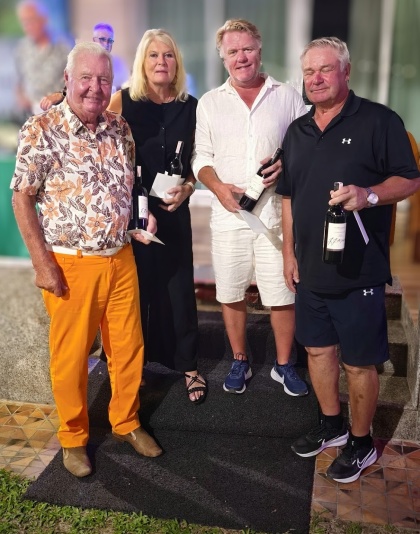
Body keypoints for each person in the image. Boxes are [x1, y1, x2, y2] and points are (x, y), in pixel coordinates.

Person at [10, 41, 163, 478]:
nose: (95, 87)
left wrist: (141, 218)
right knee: (72, 357)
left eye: (103, 80)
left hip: (121, 257)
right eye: (86, 78)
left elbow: (128, 188)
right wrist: (42, 263)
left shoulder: (119, 128)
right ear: (67, 79)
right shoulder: (42, 128)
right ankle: (73, 437)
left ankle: (126, 422)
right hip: (70, 263)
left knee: (128, 348)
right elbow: (21, 198)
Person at [276, 36, 420, 483]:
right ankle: (332, 425)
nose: (316, 79)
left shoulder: (380, 121)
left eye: (325, 69)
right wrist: (288, 252)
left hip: (360, 270)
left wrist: (369, 194)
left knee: (358, 363)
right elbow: (288, 196)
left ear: (346, 71)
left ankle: (361, 442)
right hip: (310, 268)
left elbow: (410, 179)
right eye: (309, 72)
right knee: (318, 350)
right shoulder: (297, 130)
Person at [191, 19, 308, 396]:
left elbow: (306, 147)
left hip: (276, 215)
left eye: (247, 49)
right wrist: (218, 187)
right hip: (229, 216)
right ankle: (239, 359)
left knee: (283, 293)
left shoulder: (288, 97)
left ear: (259, 50)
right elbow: (200, 157)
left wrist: (286, 163)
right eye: (233, 51)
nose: (241, 57)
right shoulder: (210, 102)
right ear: (222, 57)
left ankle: (284, 364)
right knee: (230, 291)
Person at [107, 29, 207, 404]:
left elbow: (200, 158)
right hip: (133, 212)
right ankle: (135, 366)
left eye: (168, 55)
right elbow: (96, 135)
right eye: (153, 55)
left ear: (177, 63)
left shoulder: (191, 106)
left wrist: (190, 186)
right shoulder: (123, 100)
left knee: (179, 288)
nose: (161, 62)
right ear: (142, 62)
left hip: (173, 208)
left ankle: (188, 365)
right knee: (136, 291)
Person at [39, 22, 130, 111]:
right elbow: (71, 87)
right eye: (102, 39)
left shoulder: (119, 66)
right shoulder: (80, 62)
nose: (106, 44)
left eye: (110, 41)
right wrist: (61, 95)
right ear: (94, 40)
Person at [15, 0, 71, 117]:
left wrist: (58, 96)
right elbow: (19, 82)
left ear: (44, 19)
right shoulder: (22, 48)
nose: (28, 26)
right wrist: (21, 99)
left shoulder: (64, 46)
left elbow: (74, 82)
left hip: (58, 115)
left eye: (31, 20)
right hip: (29, 116)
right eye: (24, 22)